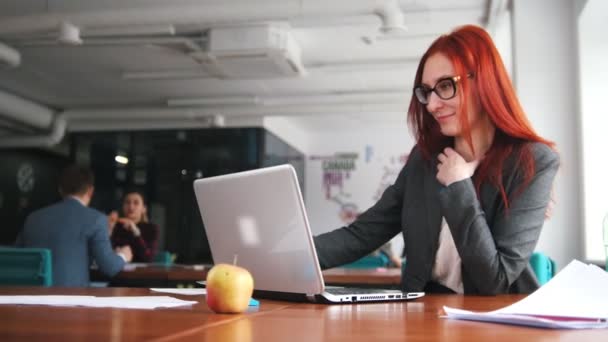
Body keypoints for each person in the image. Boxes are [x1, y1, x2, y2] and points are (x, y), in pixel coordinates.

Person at [313, 25, 559, 295]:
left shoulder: (533, 162)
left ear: (484, 81)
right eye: (427, 91)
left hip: (494, 321)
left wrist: (458, 183)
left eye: (445, 86)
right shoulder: (424, 159)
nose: (431, 105)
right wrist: (290, 255)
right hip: (424, 313)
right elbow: (361, 235)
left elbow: (496, 279)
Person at [15, 164, 132, 287]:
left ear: (60, 189)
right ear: (90, 191)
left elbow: (17, 259)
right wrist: (123, 255)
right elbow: (109, 267)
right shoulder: (96, 219)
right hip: (72, 298)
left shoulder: (33, 218)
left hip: (31, 297)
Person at [109, 190, 159, 262]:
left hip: (141, 272)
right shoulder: (116, 226)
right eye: (127, 202)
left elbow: (148, 258)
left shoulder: (152, 228)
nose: (131, 206)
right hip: (117, 269)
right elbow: (107, 253)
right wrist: (109, 229)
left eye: (136, 203)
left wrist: (135, 231)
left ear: (144, 209)